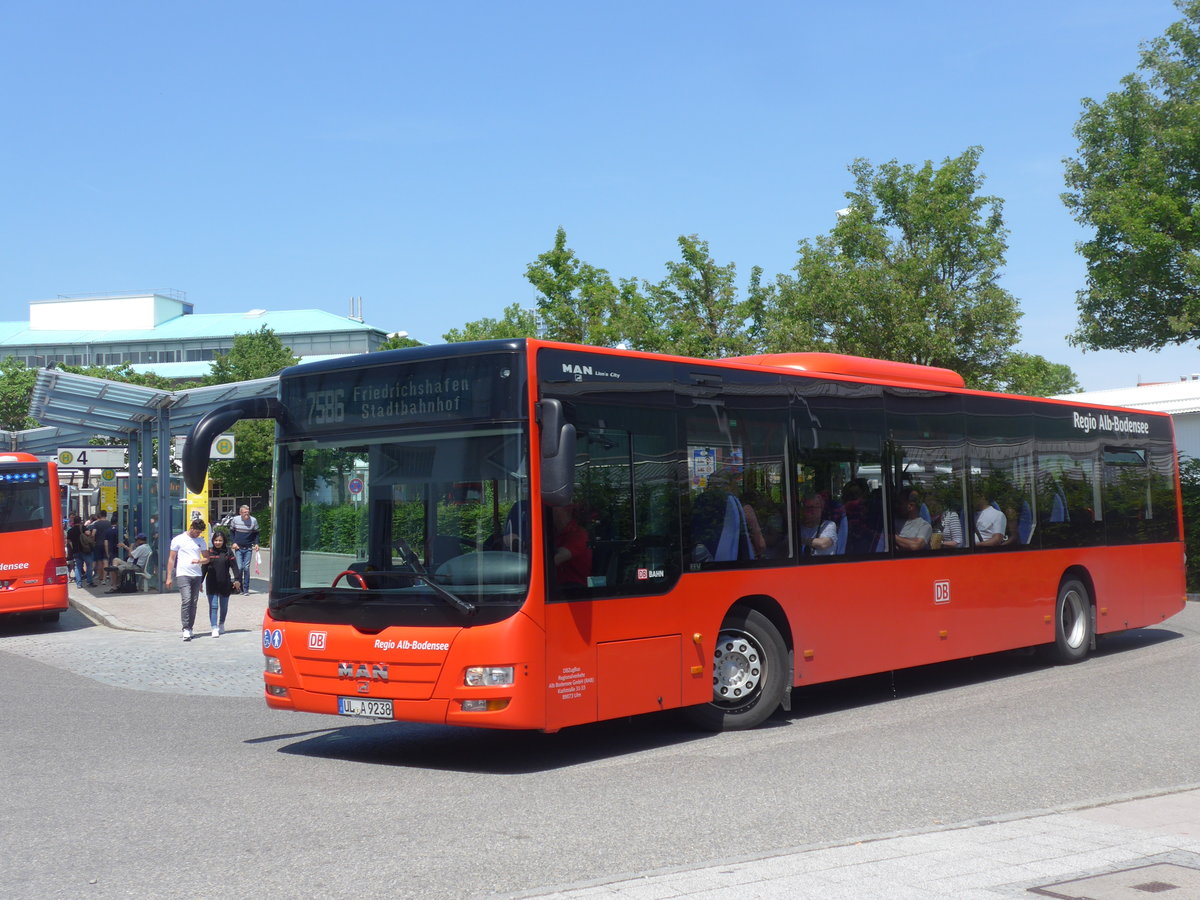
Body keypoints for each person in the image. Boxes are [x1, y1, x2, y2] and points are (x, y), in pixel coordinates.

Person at [166, 518, 208, 641]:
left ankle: (190, 627)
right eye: (196, 532)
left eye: (200, 532)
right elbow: (171, 559)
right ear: (191, 528)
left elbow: (207, 558)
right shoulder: (178, 539)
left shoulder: (201, 541)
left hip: (197, 574)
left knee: (194, 602)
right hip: (183, 574)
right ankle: (185, 627)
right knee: (186, 599)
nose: (198, 534)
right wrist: (169, 576)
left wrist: (199, 560)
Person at [201, 530, 241, 637]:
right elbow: (204, 568)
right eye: (216, 540)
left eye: (220, 540)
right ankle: (214, 627)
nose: (218, 542)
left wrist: (237, 579)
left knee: (224, 607)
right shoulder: (209, 553)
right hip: (211, 584)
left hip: (225, 584)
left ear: (224, 541)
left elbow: (234, 567)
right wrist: (200, 582)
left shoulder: (228, 552)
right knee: (213, 606)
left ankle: (221, 623)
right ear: (213, 541)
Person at [552, 505, 592, 586]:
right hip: (555, 586)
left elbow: (555, 559)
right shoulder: (552, 532)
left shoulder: (579, 534)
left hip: (574, 589)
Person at [227, 505, 259, 594]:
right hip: (238, 547)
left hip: (248, 547)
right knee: (240, 567)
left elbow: (256, 533)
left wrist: (256, 543)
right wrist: (233, 542)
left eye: (248, 511)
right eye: (245, 512)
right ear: (240, 513)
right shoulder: (235, 520)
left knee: (246, 568)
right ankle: (239, 588)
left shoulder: (253, 520)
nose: (247, 513)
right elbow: (231, 531)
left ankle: (246, 589)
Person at [66, 514, 88, 587]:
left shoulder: (70, 531)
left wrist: (73, 547)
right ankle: (89, 581)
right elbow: (89, 533)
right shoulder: (83, 528)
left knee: (77, 567)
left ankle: (79, 583)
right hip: (85, 549)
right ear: (80, 521)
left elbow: (68, 541)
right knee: (89, 564)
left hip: (76, 550)